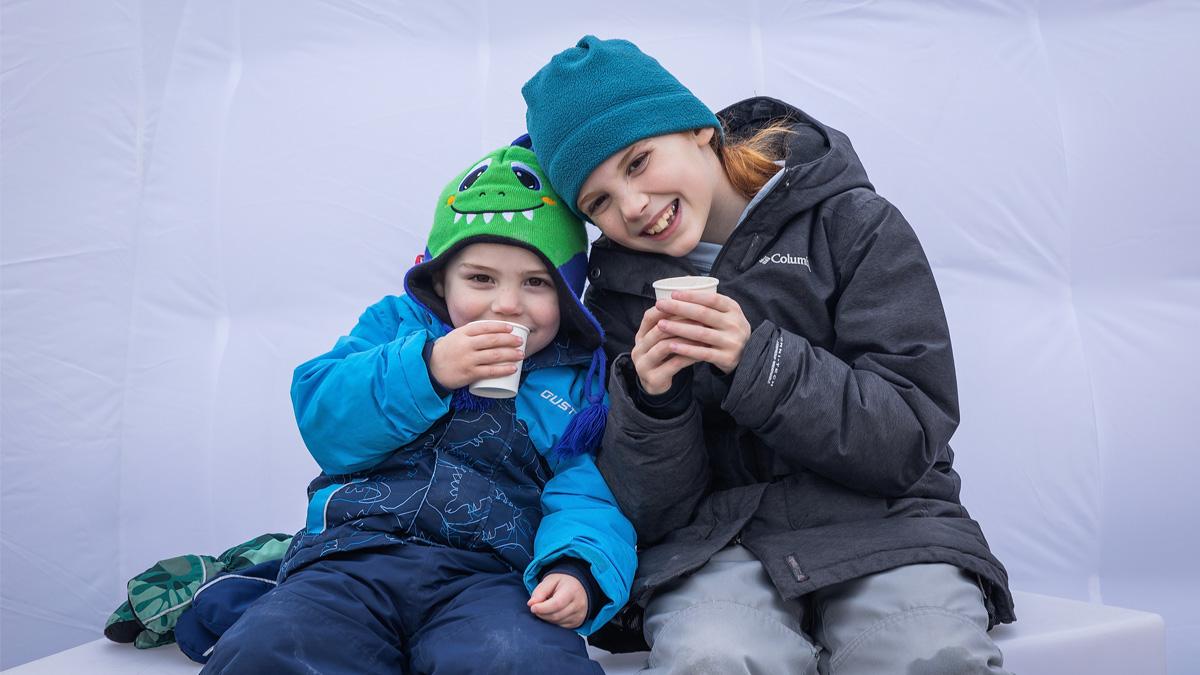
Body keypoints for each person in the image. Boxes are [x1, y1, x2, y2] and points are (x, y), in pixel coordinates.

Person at [522, 36, 1016, 674]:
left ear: (699, 130)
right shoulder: (619, 292)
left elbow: (907, 440)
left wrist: (757, 360)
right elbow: (653, 509)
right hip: (715, 547)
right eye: (599, 202)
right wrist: (653, 402)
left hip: (889, 528)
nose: (634, 206)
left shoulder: (853, 226)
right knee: (713, 658)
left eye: (639, 161)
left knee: (930, 654)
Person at [202, 140, 636, 674]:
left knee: (524, 659)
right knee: (273, 648)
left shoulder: (574, 386)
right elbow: (324, 416)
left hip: (492, 580)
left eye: (536, 283)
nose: (506, 304)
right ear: (440, 279)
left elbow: (588, 496)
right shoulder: (396, 328)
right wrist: (428, 367)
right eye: (480, 279)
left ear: (567, 296)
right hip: (350, 559)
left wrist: (577, 570)